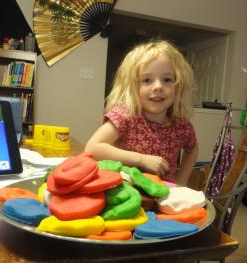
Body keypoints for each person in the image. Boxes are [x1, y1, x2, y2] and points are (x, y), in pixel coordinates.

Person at [85, 39, 198, 185]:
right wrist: (141, 159)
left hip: (163, 198)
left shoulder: (182, 126)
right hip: (127, 194)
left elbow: (192, 149)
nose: (158, 86)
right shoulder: (126, 115)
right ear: (132, 86)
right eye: (147, 80)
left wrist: (181, 182)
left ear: (178, 85)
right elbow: (92, 148)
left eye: (167, 79)